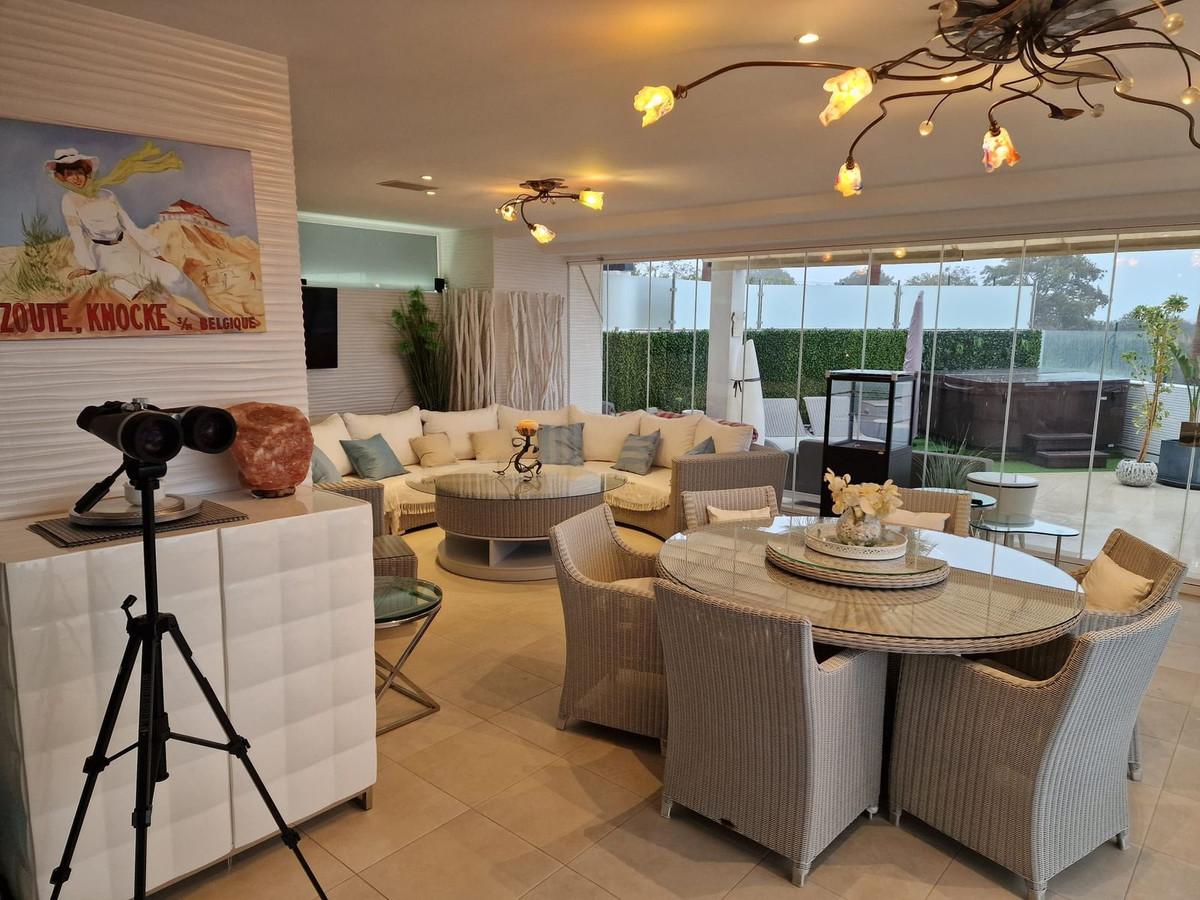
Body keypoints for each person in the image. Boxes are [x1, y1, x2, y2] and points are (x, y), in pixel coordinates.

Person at [46, 147, 218, 315]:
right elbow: (76, 234)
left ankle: (210, 314)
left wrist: (154, 253)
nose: (76, 178)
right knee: (137, 286)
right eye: (70, 174)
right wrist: (88, 266)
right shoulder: (69, 200)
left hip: (130, 247)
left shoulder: (107, 194)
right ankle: (176, 314)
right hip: (105, 254)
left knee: (173, 275)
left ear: (87, 173)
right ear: (62, 177)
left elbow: (128, 224)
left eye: (79, 172)